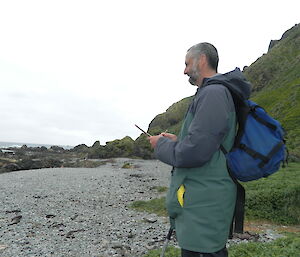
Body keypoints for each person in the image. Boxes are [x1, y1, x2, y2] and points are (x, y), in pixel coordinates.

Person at [148, 42, 251, 257]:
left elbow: (195, 152)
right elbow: (208, 143)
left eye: (187, 64)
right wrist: (178, 139)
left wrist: (161, 145)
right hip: (203, 199)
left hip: (204, 204)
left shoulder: (213, 93)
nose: (184, 70)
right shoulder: (214, 93)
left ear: (202, 59)